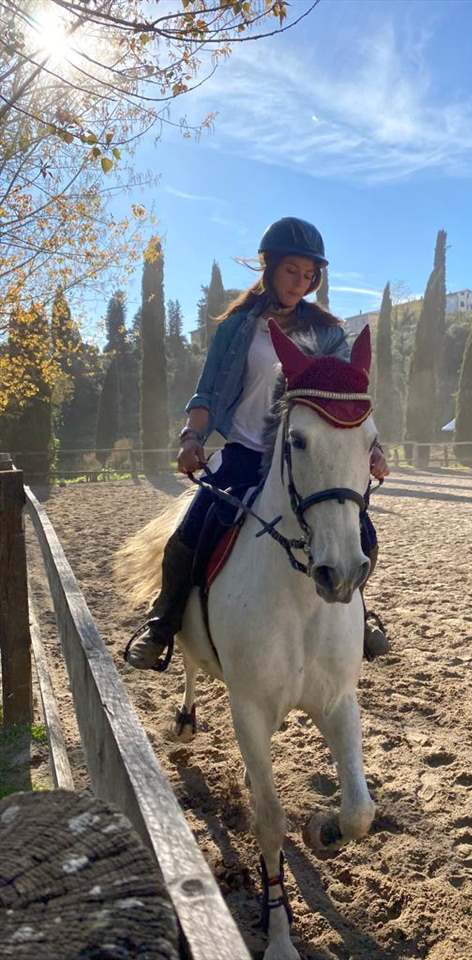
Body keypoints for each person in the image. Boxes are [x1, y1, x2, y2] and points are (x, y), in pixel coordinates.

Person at [125, 217, 389, 671]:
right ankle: (162, 622)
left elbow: (349, 394)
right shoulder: (237, 328)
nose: (299, 282)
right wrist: (192, 436)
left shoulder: (328, 333)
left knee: (362, 531)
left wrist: (374, 446)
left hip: (303, 457)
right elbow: (207, 392)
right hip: (246, 451)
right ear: (269, 267)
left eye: (308, 275)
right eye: (291, 271)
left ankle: (358, 611)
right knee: (190, 531)